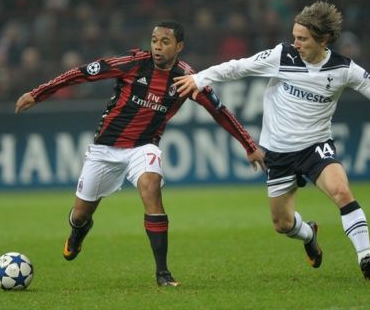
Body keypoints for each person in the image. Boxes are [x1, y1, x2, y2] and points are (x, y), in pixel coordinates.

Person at [174, 2, 370, 280]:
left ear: (323, 39)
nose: (295, 42)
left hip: (315, 147)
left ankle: (366, 258)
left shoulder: (344, 69)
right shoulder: (282, 56)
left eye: (302, 38)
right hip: (278, 152)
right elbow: (239, 67)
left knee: (342, 192)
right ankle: (309, 233)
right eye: (294, 36)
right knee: (283, 224)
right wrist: (199, 78)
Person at [15, 20, 266, 287]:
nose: (157, 47)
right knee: (80, 214)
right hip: (105, 149)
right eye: (155, 41)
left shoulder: (186, 78)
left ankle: (163, 274)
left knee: (151, 187)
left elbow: (218, 110)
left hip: (143, 147)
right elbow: (82, 73)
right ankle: (79, 231)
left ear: (179, 46)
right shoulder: (132, 63)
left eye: (165, 42)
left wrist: (249, 144)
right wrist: (38, 93)